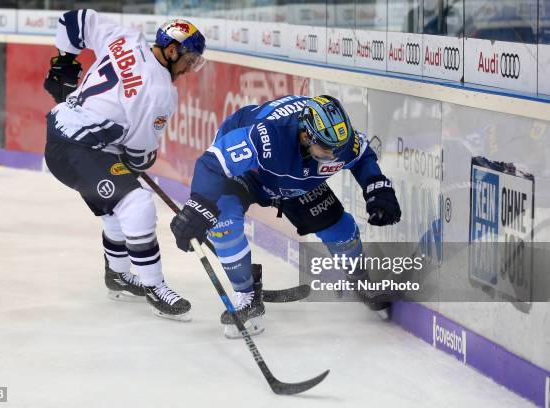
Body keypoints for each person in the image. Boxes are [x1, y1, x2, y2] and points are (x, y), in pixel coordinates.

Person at [170, 95, 401, 337]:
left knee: (340, 231)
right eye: (326, 150)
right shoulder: (267, 136)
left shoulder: (339, 139)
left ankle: (360, 278)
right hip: (249, 174)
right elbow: (211, 164)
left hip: (294, 181)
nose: (333, 157)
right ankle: (246, 295)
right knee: (223, 223)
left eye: (338, 151)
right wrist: (198, 207)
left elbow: (362, 157)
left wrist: (378, 188)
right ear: (305, 134)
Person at [43, 9, 206, 321]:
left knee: (118, 203)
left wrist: (64, 62)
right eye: (188, 61)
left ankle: (118, 274)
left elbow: (74, 20)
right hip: (76, 148)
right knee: (136, 202)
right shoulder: (160, 93)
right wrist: (132, 162)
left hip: (69, 136)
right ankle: (154, 285)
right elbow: (139, 155)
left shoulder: (126, 39)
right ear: (172, 51)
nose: (188, 69)